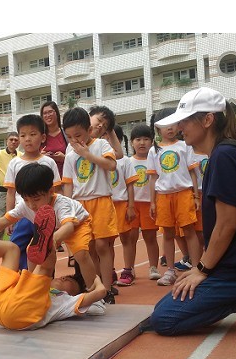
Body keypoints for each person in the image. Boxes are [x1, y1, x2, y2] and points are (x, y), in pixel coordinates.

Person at [149, 87, 236, 336]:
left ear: (208, 120)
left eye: (185, 121)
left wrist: (202, 270)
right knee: (164, 307)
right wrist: (201, 268)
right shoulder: (226, 153)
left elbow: (227, 224)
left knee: (164, 319)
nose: (180, 127)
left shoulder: (224, 157)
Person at [0, 203, 108, 330]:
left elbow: (100, 295)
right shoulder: (38, 285)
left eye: (69, 281)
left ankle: (47, 241)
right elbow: (32, 265)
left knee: (45, 267)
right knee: (12, 249)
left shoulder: (66, 302)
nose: (63, 277)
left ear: (74, 293)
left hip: (21, 315)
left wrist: (95, 282)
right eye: (65, 276)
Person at [0, 163, 98, 292]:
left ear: (51, 191)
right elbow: (4, 221)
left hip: (77, 224)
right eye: (26, 199)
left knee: (81, 254)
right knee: (31, 250)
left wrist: (52, 240)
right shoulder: (25, 205)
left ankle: (94, 292)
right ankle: (33, 285)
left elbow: (69, 227)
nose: (31, 205)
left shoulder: (62, 204)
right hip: (53, 229)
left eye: (36, 199)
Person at [62, 107, 118, 300]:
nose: (74, 140)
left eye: (78, 135)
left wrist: (87, 155)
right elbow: (68, 183)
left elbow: (111, 165)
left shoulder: (101, 144)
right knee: (90, 247)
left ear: (89, 129)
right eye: (69, 137)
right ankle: (98, 289)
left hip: (101, 200)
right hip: (80, 205)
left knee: (103, 245)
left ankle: (108, 289)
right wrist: (68, 209)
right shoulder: (70, 154)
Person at [147, 107, 201, 287]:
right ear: (157, 128)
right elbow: (153, 178)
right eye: (165, 125)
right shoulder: (154, 151)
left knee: (189, 231)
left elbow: (193, 173)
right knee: (168, 234)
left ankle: (196, 268)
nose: (169, 127)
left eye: (173, 123)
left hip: (184, 194)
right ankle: (170, 270)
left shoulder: (185, 146)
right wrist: (152, 202)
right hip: (163, 197)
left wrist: (196, 196)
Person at [3, 114, 62, 270]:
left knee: (45, 252)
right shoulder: (14, 163)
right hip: (23, 215)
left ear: (43, 137)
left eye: (32, 134)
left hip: (45, 218)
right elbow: (10, 193)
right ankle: (18, 279)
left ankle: (44, 281)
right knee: (15, 248)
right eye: (23, 135)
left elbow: (56, 191)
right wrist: (9, 219)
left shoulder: (48, 162)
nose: (27, 139)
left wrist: (57, 218)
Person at [121, 123, 162, 283]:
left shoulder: (155, 160)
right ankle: (129, 268)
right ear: (132, 142)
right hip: (132, 204)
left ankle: (153, 267)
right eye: (138, 139)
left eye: (146, 139)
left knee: (150, 237)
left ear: (152, 141)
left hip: (148, 204)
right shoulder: (128, 161)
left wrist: (155, 202)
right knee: (130, 238)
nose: (142, 143)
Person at [108, 125, 138, 286]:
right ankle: (110, 270)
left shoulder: (125, 161)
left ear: (118, 140)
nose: (107, 142)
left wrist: (131, 206)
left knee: (126, 238)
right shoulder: (100, 160)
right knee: (107, 241)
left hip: (121, 204)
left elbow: (130, 185)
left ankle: (128, 270)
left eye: (110, 139)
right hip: (106, 205)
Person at [40, 101, 68, 178]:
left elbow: (76, 156)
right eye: (44, 113)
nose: (47, 115)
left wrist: (65, 158)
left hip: (65, 177)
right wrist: (40, 157)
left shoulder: (66, 134)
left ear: (56, 113)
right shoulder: (40, 136)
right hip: (46, 179)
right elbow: (32, 158)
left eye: (50, 112)